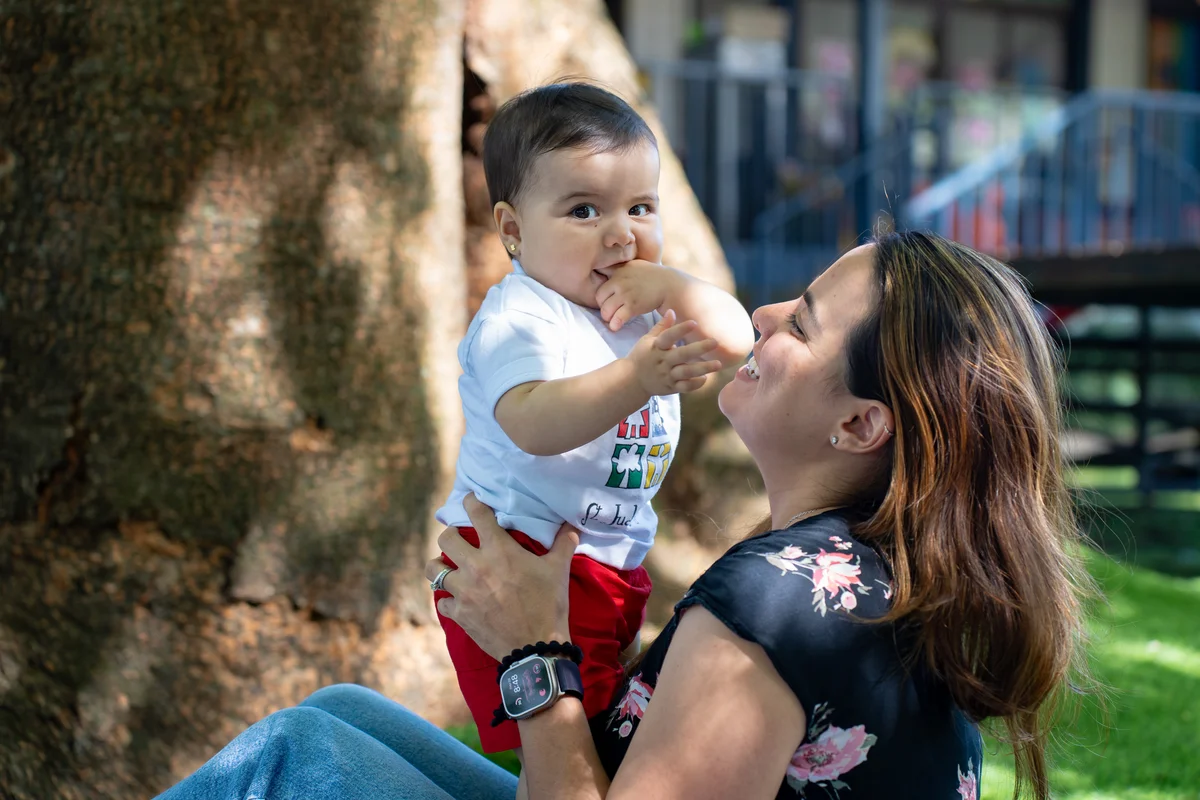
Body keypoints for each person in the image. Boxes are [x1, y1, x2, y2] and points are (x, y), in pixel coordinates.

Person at [157, 231, 1095, 800]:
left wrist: (536, 656)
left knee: (293, 761)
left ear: (860, 424)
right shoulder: (869, 579)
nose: (762, 314)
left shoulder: (774, 610)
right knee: (343, 714)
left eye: (802, 323)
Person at [431, 80, 754, 764]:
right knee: (584, 743)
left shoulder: (640, 303)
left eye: (641, 207)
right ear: (513, 230)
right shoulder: (522, 317)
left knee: (611, 739)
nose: (621, 231)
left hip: (609, 561)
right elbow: (532, 422)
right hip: (520, 558)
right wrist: (637, 377)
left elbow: (736, 339)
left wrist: (671, 286)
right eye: (584, 209)